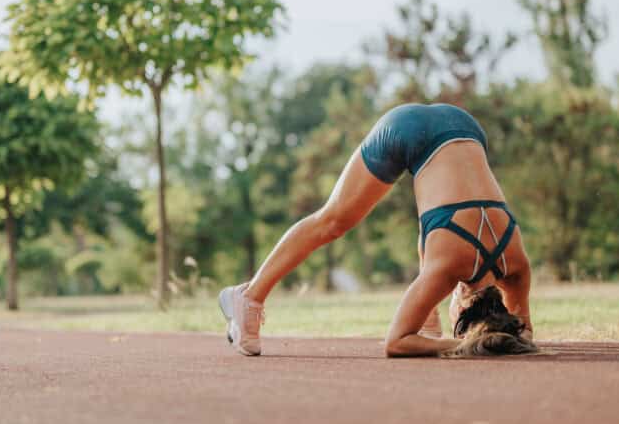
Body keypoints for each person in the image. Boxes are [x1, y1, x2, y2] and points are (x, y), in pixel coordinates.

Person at [218, 103, 533, 357]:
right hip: (406, 131)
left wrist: (499, 337)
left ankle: (427, 319)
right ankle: (248, 296)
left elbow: (526, 333)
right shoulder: (449, 270)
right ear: (463, 302)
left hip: (465, 126)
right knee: (334, 220)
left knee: (441, 218)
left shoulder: (516, 267)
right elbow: (397, 343)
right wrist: (467, 345)